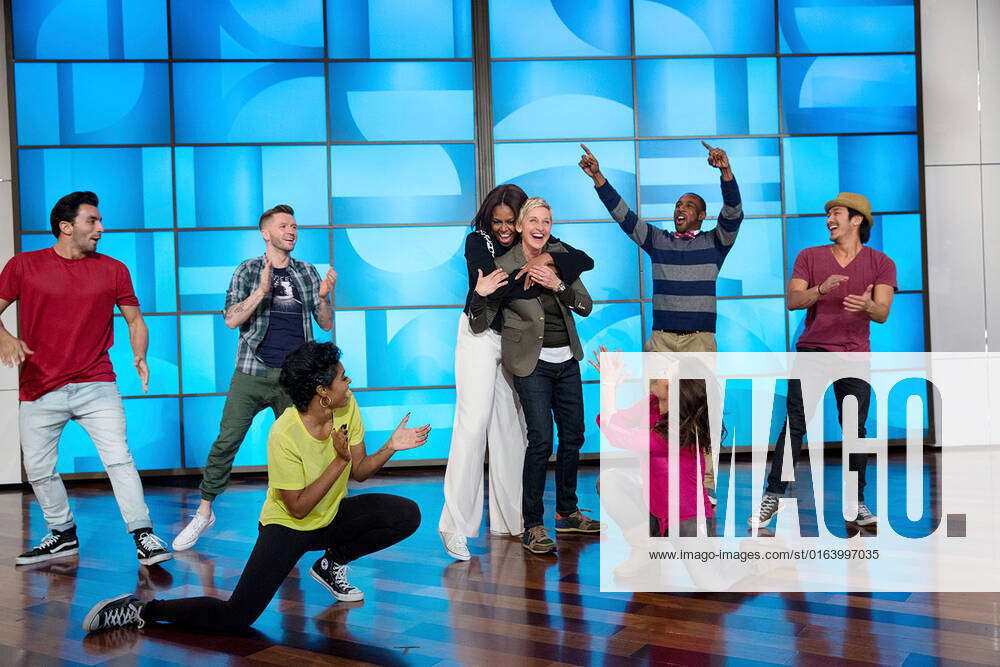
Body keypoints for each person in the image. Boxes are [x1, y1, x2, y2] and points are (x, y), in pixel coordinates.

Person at [82, 342, 428, 634]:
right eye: (341, 377)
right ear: (323, 392)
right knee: (236, 617)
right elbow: (297, 508)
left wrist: (391, 447)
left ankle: (331, 564)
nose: (348, 380)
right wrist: (338, 461)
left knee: (405, 514)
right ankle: (141, 610)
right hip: (288, 527)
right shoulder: (284, 433)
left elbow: (361, 472)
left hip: (331, 517)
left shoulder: (347, 406)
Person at [0, 191, 171, 566]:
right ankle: (61, 534)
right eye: (92, 221)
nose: (101, 228)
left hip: (96, 382)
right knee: (40, 467)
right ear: (66, 227)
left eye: (99, 221)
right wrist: (6, 337)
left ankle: (144, 535)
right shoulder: (23, 266)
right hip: (39, 385)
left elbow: (134, 318)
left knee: (119, 459)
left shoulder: (113, 269)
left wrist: (139, 354)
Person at [578, 141, 744, 504]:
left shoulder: (715, 243)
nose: (679, 209)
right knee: (658, 412)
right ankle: (661, 477)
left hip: (699, 341)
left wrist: (725, 173)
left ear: (701, 216)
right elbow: (625, 218)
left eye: (688, 206)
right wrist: (598, 177)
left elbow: (734, 213)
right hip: (663, 341)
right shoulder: (659, 241)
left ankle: (706, 482)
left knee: (701, 413)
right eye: (677, 205)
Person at [439, 185, 593, 561]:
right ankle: (456, 527)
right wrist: (489, 287)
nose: (506, 228)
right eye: (499, 221)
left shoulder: (536, 237)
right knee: (473, 427)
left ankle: (514, 522)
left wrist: (551, 266)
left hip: (516, 341)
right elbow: (491, 284)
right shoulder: (479, 241)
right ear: (489, 219)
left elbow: (581, 260)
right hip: (480, 333)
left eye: (512, 221)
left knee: (515, 432)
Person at [172, 204, 337, 551]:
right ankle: (204, 512)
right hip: (251, 372)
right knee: (227, 441)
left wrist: (322, 298)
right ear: (266, 233)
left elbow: (325, 323)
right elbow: (231, 319)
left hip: (295, 379)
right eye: (283, 226)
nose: (291, 231)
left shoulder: (306, 272)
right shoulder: (247, 271)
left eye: (294, 225)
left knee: (302, 450)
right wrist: (261, 291)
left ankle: (296, 521)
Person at [749, 192, 896, 529]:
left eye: (837, 214)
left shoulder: (881, 263)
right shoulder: (810, 256)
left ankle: (856, 502)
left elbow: (883, 312)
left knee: (855, 431)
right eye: (828, 214)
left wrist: (867, 306)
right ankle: (772, 496)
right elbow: (793, 300)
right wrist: (821, 290)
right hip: (813, 353)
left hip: (854, 356)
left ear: (856, 220)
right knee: (795, 426)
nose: (829, 219)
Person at [592, 347, 716, 575]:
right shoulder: (651, 402)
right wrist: (610, 388)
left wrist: (608, 387)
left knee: (710, 583)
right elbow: (613, 423)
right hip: (655, 508)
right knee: (610, 481)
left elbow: (616, 434)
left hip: (686, 518)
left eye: (667, 372)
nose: (659, 373)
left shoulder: (677, 431)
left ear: (674, 388)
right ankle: (645, 549)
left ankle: (763, 562)